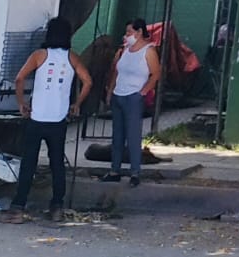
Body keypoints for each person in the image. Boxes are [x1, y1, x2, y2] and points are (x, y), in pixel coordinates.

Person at [9, 17, 93, 222]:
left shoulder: (39, 55)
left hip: (37, 117)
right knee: (57, 162)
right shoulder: (72, 58)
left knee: (29, 161)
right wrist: (77, 104)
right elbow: (88, 81)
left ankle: (18, 208)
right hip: (58, 119)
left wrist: (21, 102)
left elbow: (19, 78)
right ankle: (57, 207)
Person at [100, 17, 162, 186]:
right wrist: (110, 91)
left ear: (139, 32)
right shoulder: (124, 50)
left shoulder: (149, 51)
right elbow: (116, 71)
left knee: (133, 136)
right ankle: (115, 170)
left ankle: (135, 172)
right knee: (117, 136)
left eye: (129, 32)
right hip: (119, 94)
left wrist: (143, 91)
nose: (126, 35)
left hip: (134, 96)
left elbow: (156, 74)